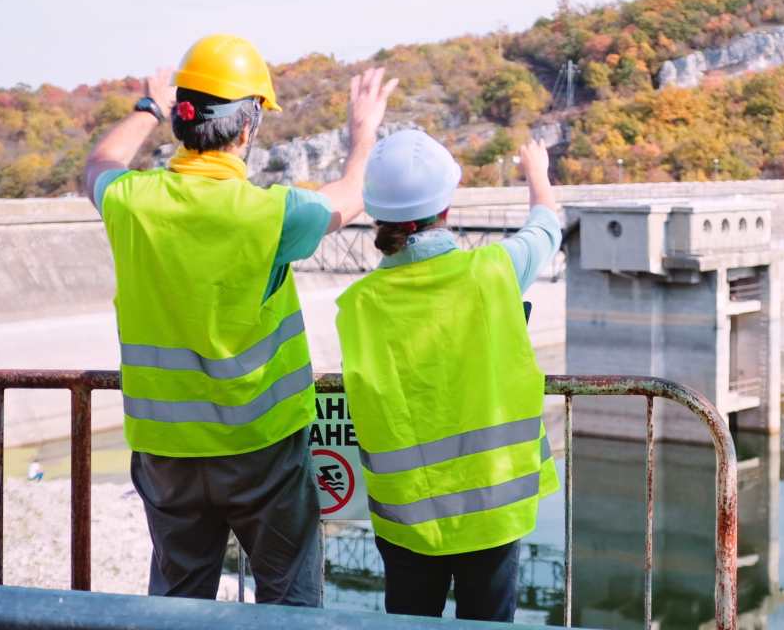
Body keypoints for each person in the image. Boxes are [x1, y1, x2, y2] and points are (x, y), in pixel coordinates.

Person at [83, 34, 397, 604]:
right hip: (263, 449)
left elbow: (98, 164)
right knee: (287, 600)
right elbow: (352, 194)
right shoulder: (273, 214)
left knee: (180, 605)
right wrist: (363, 133)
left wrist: (146, 108)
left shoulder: (130, 202)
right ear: (248, 126)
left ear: (182, 120)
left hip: (166, 450)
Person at [334, 130, 561, 621]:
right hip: (493, 505)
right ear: (446, 207)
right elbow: (546, 227)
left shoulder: (358, 305)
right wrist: (537, 175)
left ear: (377, 214)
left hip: (407, 514)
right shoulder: (494, 271)